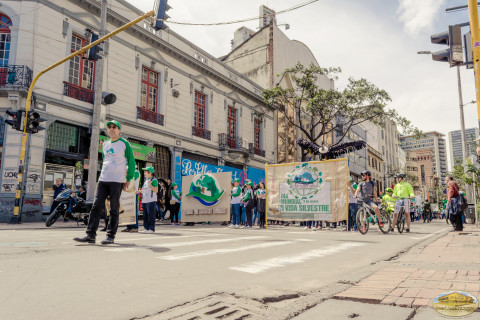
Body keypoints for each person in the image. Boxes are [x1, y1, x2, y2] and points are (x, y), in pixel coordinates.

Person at [74, 120, 135, 245]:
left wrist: (128, 179)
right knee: (96, 206)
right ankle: (90, 235)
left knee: (114, 209)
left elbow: (132, 162)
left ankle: (110, 236)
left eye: (114, 127)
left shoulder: (125, 144)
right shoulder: (106, 144)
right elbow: (105, 161)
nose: (111, 129)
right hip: (103, 179)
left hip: (117, 181)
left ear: (119, 130)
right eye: (109, 127)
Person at [139, 166, 159, 233]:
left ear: (150, 172)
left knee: (151, 215)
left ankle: (151, 229)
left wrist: (150, 185)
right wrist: (139, 191)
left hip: (151, 200)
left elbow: (156, 191)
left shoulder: (154, 180)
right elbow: (145, 190)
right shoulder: (146, 180)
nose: (144, 173)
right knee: (145, 215)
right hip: (145, 200)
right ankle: (146, 228)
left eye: (145, 172)